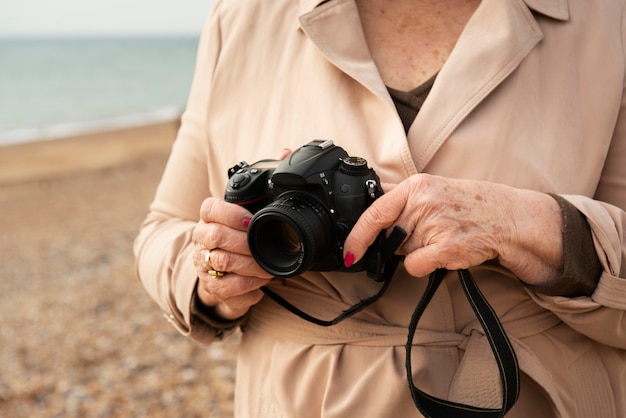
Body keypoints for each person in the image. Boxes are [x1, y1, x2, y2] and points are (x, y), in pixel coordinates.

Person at [134, 0, 626, 416]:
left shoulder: (606, 19)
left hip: (536, 397)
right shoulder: (244, 17)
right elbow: (161, 230)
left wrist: (528, 227)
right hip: (296, 398)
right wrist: (216, 273)